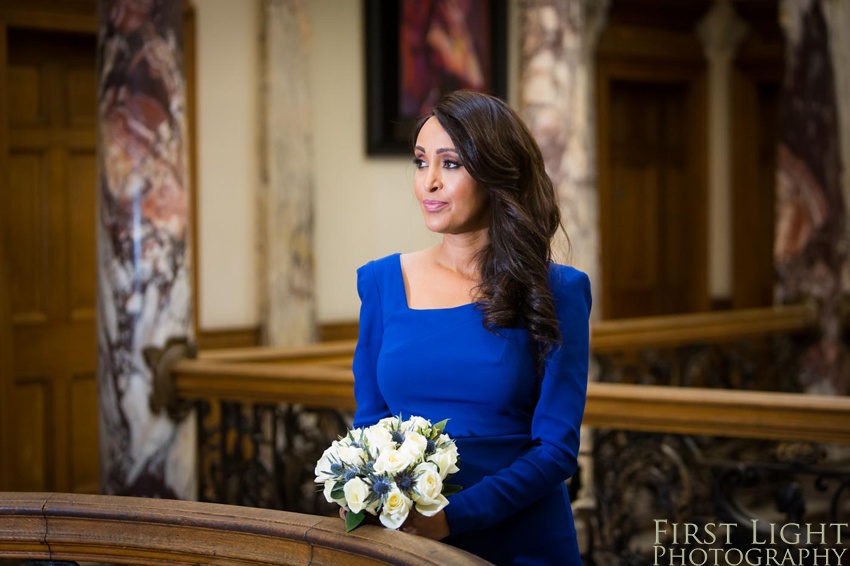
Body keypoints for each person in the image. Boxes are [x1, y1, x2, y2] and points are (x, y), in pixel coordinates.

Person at [351, 90, 591, 565]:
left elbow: (556, 450)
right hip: (408, 544)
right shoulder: (380, 281)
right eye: (421, 163)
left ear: (497, 172)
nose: (429, 183)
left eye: (452, 164)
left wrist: (453, 516)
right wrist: (367, 494)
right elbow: (369, 422)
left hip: (521, 540)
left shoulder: (558, 290)